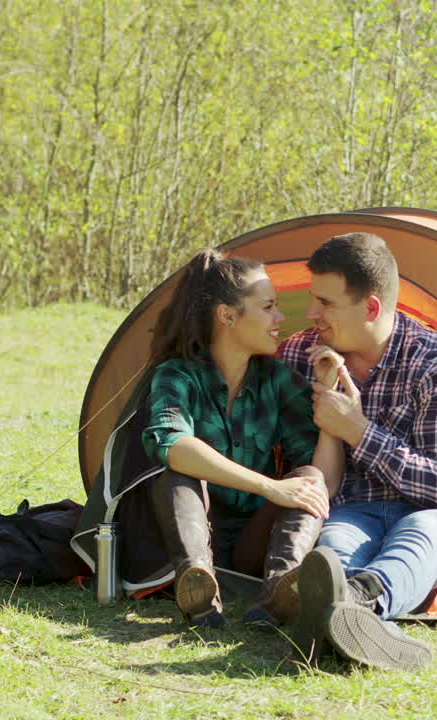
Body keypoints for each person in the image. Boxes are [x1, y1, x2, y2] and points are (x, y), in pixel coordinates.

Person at [277, 232, 437, 670]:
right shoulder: (298, 355)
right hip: (351, 510)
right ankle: (354, 621)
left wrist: (359, 432)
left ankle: (350, 612)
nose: (311, 314)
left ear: (370, 308)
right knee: (332, 548)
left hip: (429, 513)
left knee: (425, 536)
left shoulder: (435, 361)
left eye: (325, 303)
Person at [143, 249, 343, 629]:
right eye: (268, 307)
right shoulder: (177, 376)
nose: (280, 318)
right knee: (175, 474)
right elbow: (170, 443)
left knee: (308, 479)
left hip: (256, 542)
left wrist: (328, 400)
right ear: (228, 315)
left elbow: (320, 477)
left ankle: (278, 597)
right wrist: (269, 486)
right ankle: (199, 590)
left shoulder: (278, 380)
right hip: (192, 535)